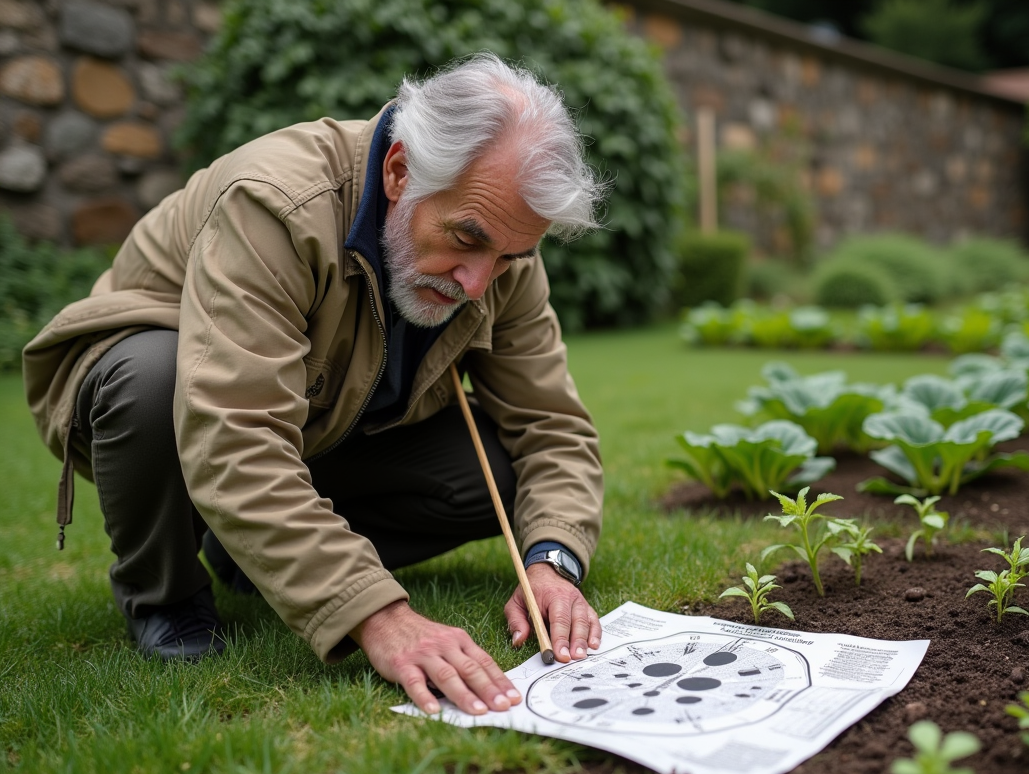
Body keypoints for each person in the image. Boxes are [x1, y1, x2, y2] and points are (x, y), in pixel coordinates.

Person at [23, 54, 607, 718]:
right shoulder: (273, 204)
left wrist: (552, 559)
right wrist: (377, 614)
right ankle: (166, 594)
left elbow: (553, 425)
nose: (477, 282)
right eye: (466, 239)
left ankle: (254, 558)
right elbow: (234, 436)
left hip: (324, 425)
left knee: (494, 469)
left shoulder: (500, 253)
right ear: (399, 172)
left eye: (506, 257)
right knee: (151, 378)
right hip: (164, 397)